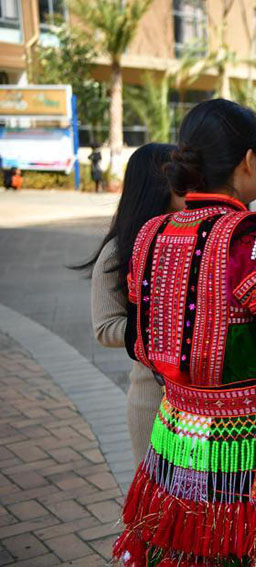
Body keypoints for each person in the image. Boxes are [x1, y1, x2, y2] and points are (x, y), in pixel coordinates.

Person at [112, 99, 256, 567]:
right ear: (249, 162)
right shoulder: (255, 239)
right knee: (245, 549)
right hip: (249, 447)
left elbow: (140, 339)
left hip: (176, 432)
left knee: (184, 549)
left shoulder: (151, 234)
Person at [71, 144, 181, 464]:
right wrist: (169, 325)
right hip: (154, 400)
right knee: (160, 504)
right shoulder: (119, 251)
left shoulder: (197, 240)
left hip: (207, 405)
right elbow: (105, 328)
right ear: (156, 186)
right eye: (180, 175)